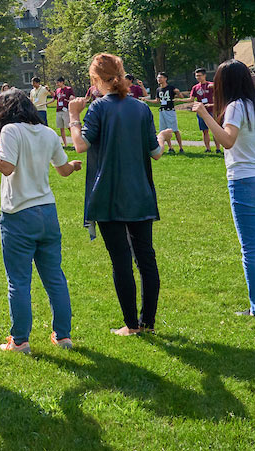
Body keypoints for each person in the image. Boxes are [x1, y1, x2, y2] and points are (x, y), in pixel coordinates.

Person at [69, 54, 166, 336]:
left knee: (121, 261)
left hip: (109, 194)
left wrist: (74, 116)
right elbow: (156, 153)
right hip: (140, 194)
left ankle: (132, 326)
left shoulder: (98, 108)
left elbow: (80, 145)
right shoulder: (140, 108)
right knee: (146, 258)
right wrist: (164, 138)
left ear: (96, 80)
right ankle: (147, 322)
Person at [0, 90, 81, 353]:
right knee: (55, 278)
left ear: (5, 111)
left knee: (19, 280)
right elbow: (63, 169)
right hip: (47, 212)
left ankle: (20, 340)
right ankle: (63, 336)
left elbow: (6, 167)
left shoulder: (12, 130)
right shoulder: (47, 132)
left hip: (19, 215)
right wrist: (74, 165)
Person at [193, 61, 255, 317]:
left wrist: (204, 115)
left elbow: (227, 141)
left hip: (245, 182)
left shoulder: (235, 107)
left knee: (251, 249)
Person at [148, 72, 185, 155]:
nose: (159, 79)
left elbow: (181, 97)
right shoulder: (158, 89)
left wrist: (178, 93)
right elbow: (157, 101)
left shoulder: (171, 88)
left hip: (170, 110)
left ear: (165, 78)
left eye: (160, 77)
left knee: (175, 129)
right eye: (158, 78)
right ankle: (170, 147)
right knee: (165, 130)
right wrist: (146, 100)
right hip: (162, 111)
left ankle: (181, 147)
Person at [190, 68, 217, 153]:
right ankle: (208, 148)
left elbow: (220, 94)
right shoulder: (195, 87)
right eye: (196, 76)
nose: (198, 77)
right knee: (204, 131)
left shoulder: (211, 85)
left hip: (212, 110)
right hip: (201, 111)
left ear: (204, 75)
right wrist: (179, 100)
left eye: (199, 75)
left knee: (215, 130)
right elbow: (191, 99)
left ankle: (218, 148)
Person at [53, 77, 75, 146]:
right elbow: (54, 98)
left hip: (65, 110)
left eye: (58, 82)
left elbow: (72, 97)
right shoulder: (57, 90)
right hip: (58, 110)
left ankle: (75, 142)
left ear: (62, 82)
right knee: (61, 128)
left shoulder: (68, 89)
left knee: (69, 126)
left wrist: (70, 100)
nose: (57, 84)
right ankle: (65, 144)